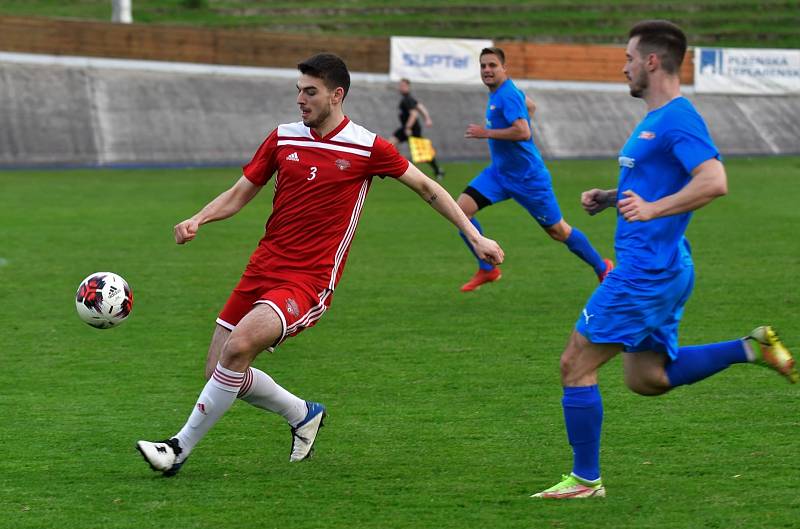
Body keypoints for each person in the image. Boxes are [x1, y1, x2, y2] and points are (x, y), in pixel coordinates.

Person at [136, 53, 504, 476]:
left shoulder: (367, 146)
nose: (300, 100)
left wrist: (475, 236)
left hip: (309, 280)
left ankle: (176, 449)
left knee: (238, 349)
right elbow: (240, 192)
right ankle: (302, 414)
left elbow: (427, 188)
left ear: (336, 94)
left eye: (310, 92)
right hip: (261, 268)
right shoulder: (283, 138)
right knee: (219, 370)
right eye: (298, 91)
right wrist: (199, 217)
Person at [531, 20, 797, 499]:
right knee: (647, 379)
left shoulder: (678, 118)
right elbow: (659, 181)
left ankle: (585, 481)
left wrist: (651, 209)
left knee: (575, 365)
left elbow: (714, 180)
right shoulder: (655, 120)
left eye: (629, 58)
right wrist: (613, 197)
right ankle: (749, 348)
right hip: (666, 267)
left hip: (644, 274)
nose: (624, 66)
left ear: (652, 61)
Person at [457, 47, 612, 292]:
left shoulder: (507, 95)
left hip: (528, 179)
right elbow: (531, 106)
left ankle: (602, 267)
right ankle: (488, 269)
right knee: (460, 212)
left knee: (559, 231)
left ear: (503, 69)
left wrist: (485, 133)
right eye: (483, 66)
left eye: (492, 65)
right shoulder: (503, 92)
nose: (487, 70)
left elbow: (523, 131)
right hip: (499, 174)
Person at [388, 78, 445, 181]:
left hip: (411, 129)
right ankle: (391, 167)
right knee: (390, 144)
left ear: (408, 87)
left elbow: (414, 114)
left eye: (403, 85)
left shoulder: (407, 100)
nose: (401, 87)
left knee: (423, 152)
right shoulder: (409, 98)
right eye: (400, 85)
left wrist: (408, 127)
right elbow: (420, 107)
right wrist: (427, 118)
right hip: (406, 128)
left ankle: (438, 170)